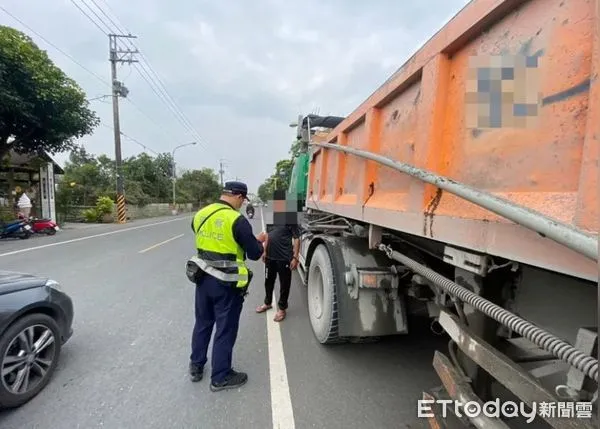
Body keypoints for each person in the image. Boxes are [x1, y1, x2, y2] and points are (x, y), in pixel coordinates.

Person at [189, 181, 267, 391]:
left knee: (203, 323)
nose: (242, 205)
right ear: (239, 197)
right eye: (243, 201)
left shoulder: (201, 214)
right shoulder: (236, 219)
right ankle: (220, 376)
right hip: (227, 284)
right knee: (225, 329)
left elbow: (211, 242)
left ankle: (196, 366)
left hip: (202, 279)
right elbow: (254, 253)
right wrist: (259, 242)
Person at [255, 193, 300, 322]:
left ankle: (282, 308)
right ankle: (267, 303)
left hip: (284, 258)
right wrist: (264, 251)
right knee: (268, 281)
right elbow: (268, 236)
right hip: (270, 257)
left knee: (284, 284)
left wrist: (295, 257)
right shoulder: (271, 217)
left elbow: (297, 238)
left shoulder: (291, 218)